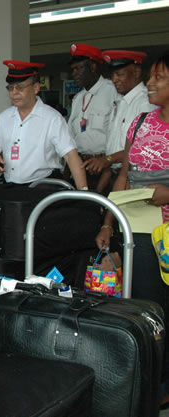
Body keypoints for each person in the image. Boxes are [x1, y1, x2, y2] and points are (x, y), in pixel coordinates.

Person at [95, 50, 169, 315]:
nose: (149, 83)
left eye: (158, 77)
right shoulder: (140, 124)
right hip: (139, 232)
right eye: (150, 77)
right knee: (146, 307)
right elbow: (123, 176)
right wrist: (108, 223)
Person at [0, 60, 88, 190]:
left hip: (42, 187)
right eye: (10, 88)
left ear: (36, 88)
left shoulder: (52, 118)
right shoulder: (4, 117)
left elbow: (70, 156)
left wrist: (84, 192)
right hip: (10, 187)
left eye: (20, 87)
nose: (14, 92)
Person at [82, 50, 158, 192]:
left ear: (136, 72)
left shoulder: (145, 103)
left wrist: (107, 160)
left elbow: (141, 149)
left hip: (135, 180)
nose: (114, 79)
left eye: (120, 74)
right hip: (116, 176)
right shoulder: (121, 102)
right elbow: (114, 148)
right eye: (112, 75)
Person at [67, 43, 119, 189]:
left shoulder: (113, 91)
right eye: (72, 69)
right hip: (81, 167)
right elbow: (71, 137)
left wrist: (106, 161)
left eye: (78, 68)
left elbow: (119, 135)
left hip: (104, 168)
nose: (74, 74)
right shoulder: (78, 98)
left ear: (93, 67)